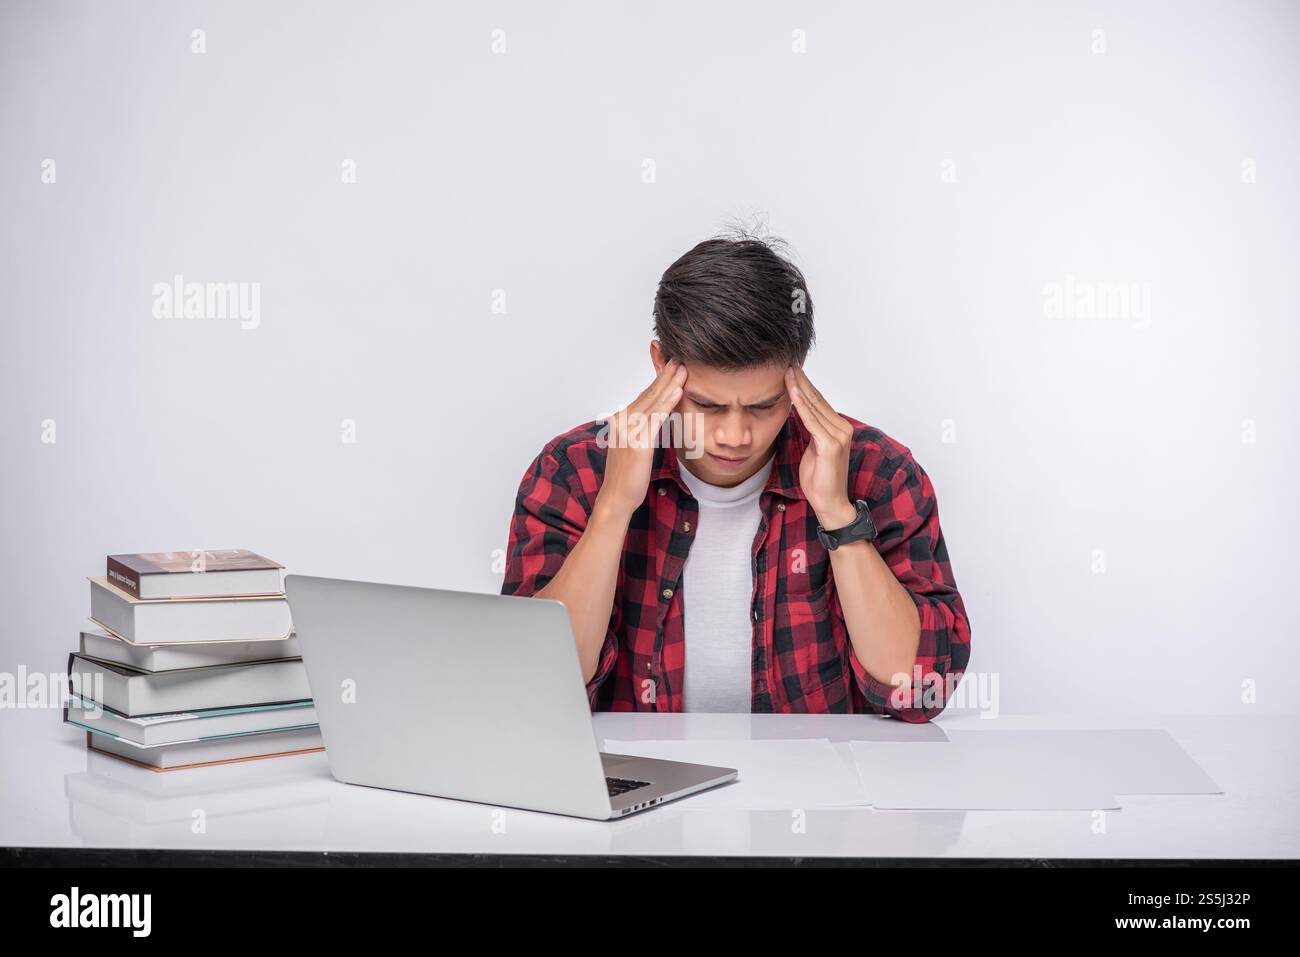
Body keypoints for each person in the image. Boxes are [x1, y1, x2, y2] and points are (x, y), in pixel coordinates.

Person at [502, 230, 971, 721]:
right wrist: (614, 507)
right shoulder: (575, 470)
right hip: (639, 789)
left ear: (797, 370)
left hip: (818, 789)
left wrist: (838, 516)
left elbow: (918, 692)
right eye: (707, 404)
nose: (734, 436)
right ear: (662, 364)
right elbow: (538, 691)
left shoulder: (876, 471)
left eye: (763, 406)